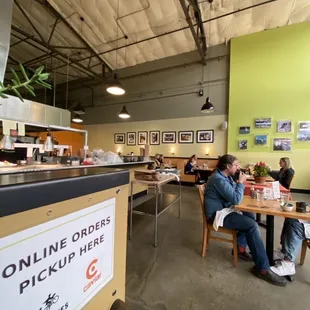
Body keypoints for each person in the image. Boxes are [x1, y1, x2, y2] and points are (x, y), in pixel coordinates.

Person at [205, 154, 287, 286]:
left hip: (225, 209)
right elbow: (236, 199)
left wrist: (237, 183)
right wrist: (241, 183)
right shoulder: (218, 179)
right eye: (236, 165)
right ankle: (263, 269)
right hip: (217, 214)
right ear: (228, 166)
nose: (238, 167)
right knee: (252, 225)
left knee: (249, 215)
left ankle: (240, 249)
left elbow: (233, 193)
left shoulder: (224, 176)